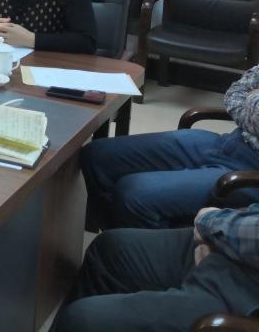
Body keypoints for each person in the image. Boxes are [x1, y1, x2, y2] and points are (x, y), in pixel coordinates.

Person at [81, 65, 259, 230]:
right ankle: (116, 238)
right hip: (229, 142)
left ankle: (145, 248)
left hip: (251, 172)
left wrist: (251, 98)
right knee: (98, 155)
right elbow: (236, 91)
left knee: (134, 194)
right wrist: (253, 105)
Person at [51, 204, 259, 332]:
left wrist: (209, 221)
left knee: (81, 320)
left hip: (245, 294)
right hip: (238, 247)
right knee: (109, 248)